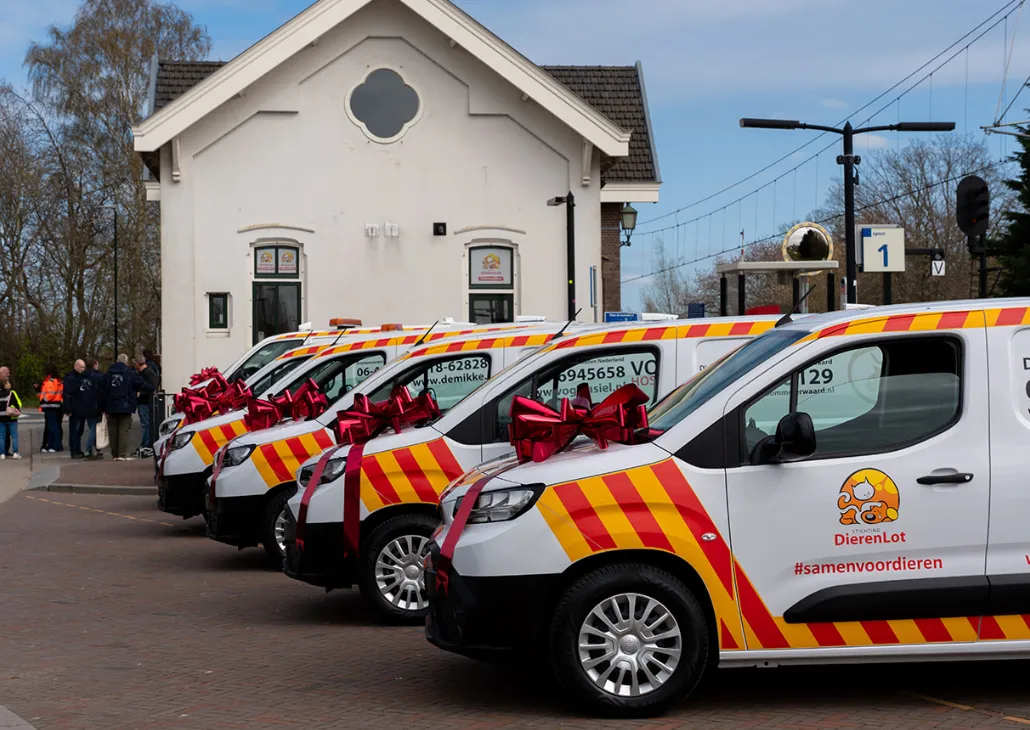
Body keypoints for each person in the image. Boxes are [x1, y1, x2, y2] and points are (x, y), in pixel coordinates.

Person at [100, 354, 146, 461]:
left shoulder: (108, 374)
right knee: (124, 429)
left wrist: (103, 406)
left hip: (111, 405)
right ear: (126, 362)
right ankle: (121, 454)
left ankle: (114, 453)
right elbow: (140, 384)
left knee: (112, 429)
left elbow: (102, 390)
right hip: (126, 404)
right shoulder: (130, 373)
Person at [74, 358, 105, 460]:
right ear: (95, 364)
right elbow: (102, 393)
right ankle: (88, 450)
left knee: (92, 426)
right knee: (94, 428)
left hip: (83, 406)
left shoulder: (80, 377)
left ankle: (97, 450)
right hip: (95, 406)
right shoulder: (99, 377)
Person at [134, 355, 159, 458]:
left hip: (144, 401)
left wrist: (141, 393)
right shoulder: (148, 372)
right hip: (145, 401)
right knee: (146, 423)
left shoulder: (146, 374)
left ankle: (145, 445)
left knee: (145, 423)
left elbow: (152, 386)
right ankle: (145, 444)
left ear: (137, 363)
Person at [38, 363, 65, 453]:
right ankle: (52, 445)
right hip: (57, 406)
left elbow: (50, 394)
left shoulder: (50, 382)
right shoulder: (58, 381)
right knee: (55, 426)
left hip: (50, 406)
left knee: (52, 427)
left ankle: (56, 446)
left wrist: (43, 399)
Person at [63, 360, 87, 457]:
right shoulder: (70, 378)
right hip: (74, 408)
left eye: (84, 367)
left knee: (79, 430)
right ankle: (74, 450)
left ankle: (78, 449)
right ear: (76, 366)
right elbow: (67, 395)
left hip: (80, 408)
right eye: (81, 367)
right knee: (74, 430)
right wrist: (68, 409)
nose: (83, 369)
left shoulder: (80, 377)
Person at [0, 366, 23, 459]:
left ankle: (2, 453)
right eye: (7, 373)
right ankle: (15, 452)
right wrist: (16, 410)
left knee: (1, 436)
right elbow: (18, 404)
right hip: (11, 417)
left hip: (1, 418)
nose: (8, 374)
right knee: (14, 435)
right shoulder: (11, 392)